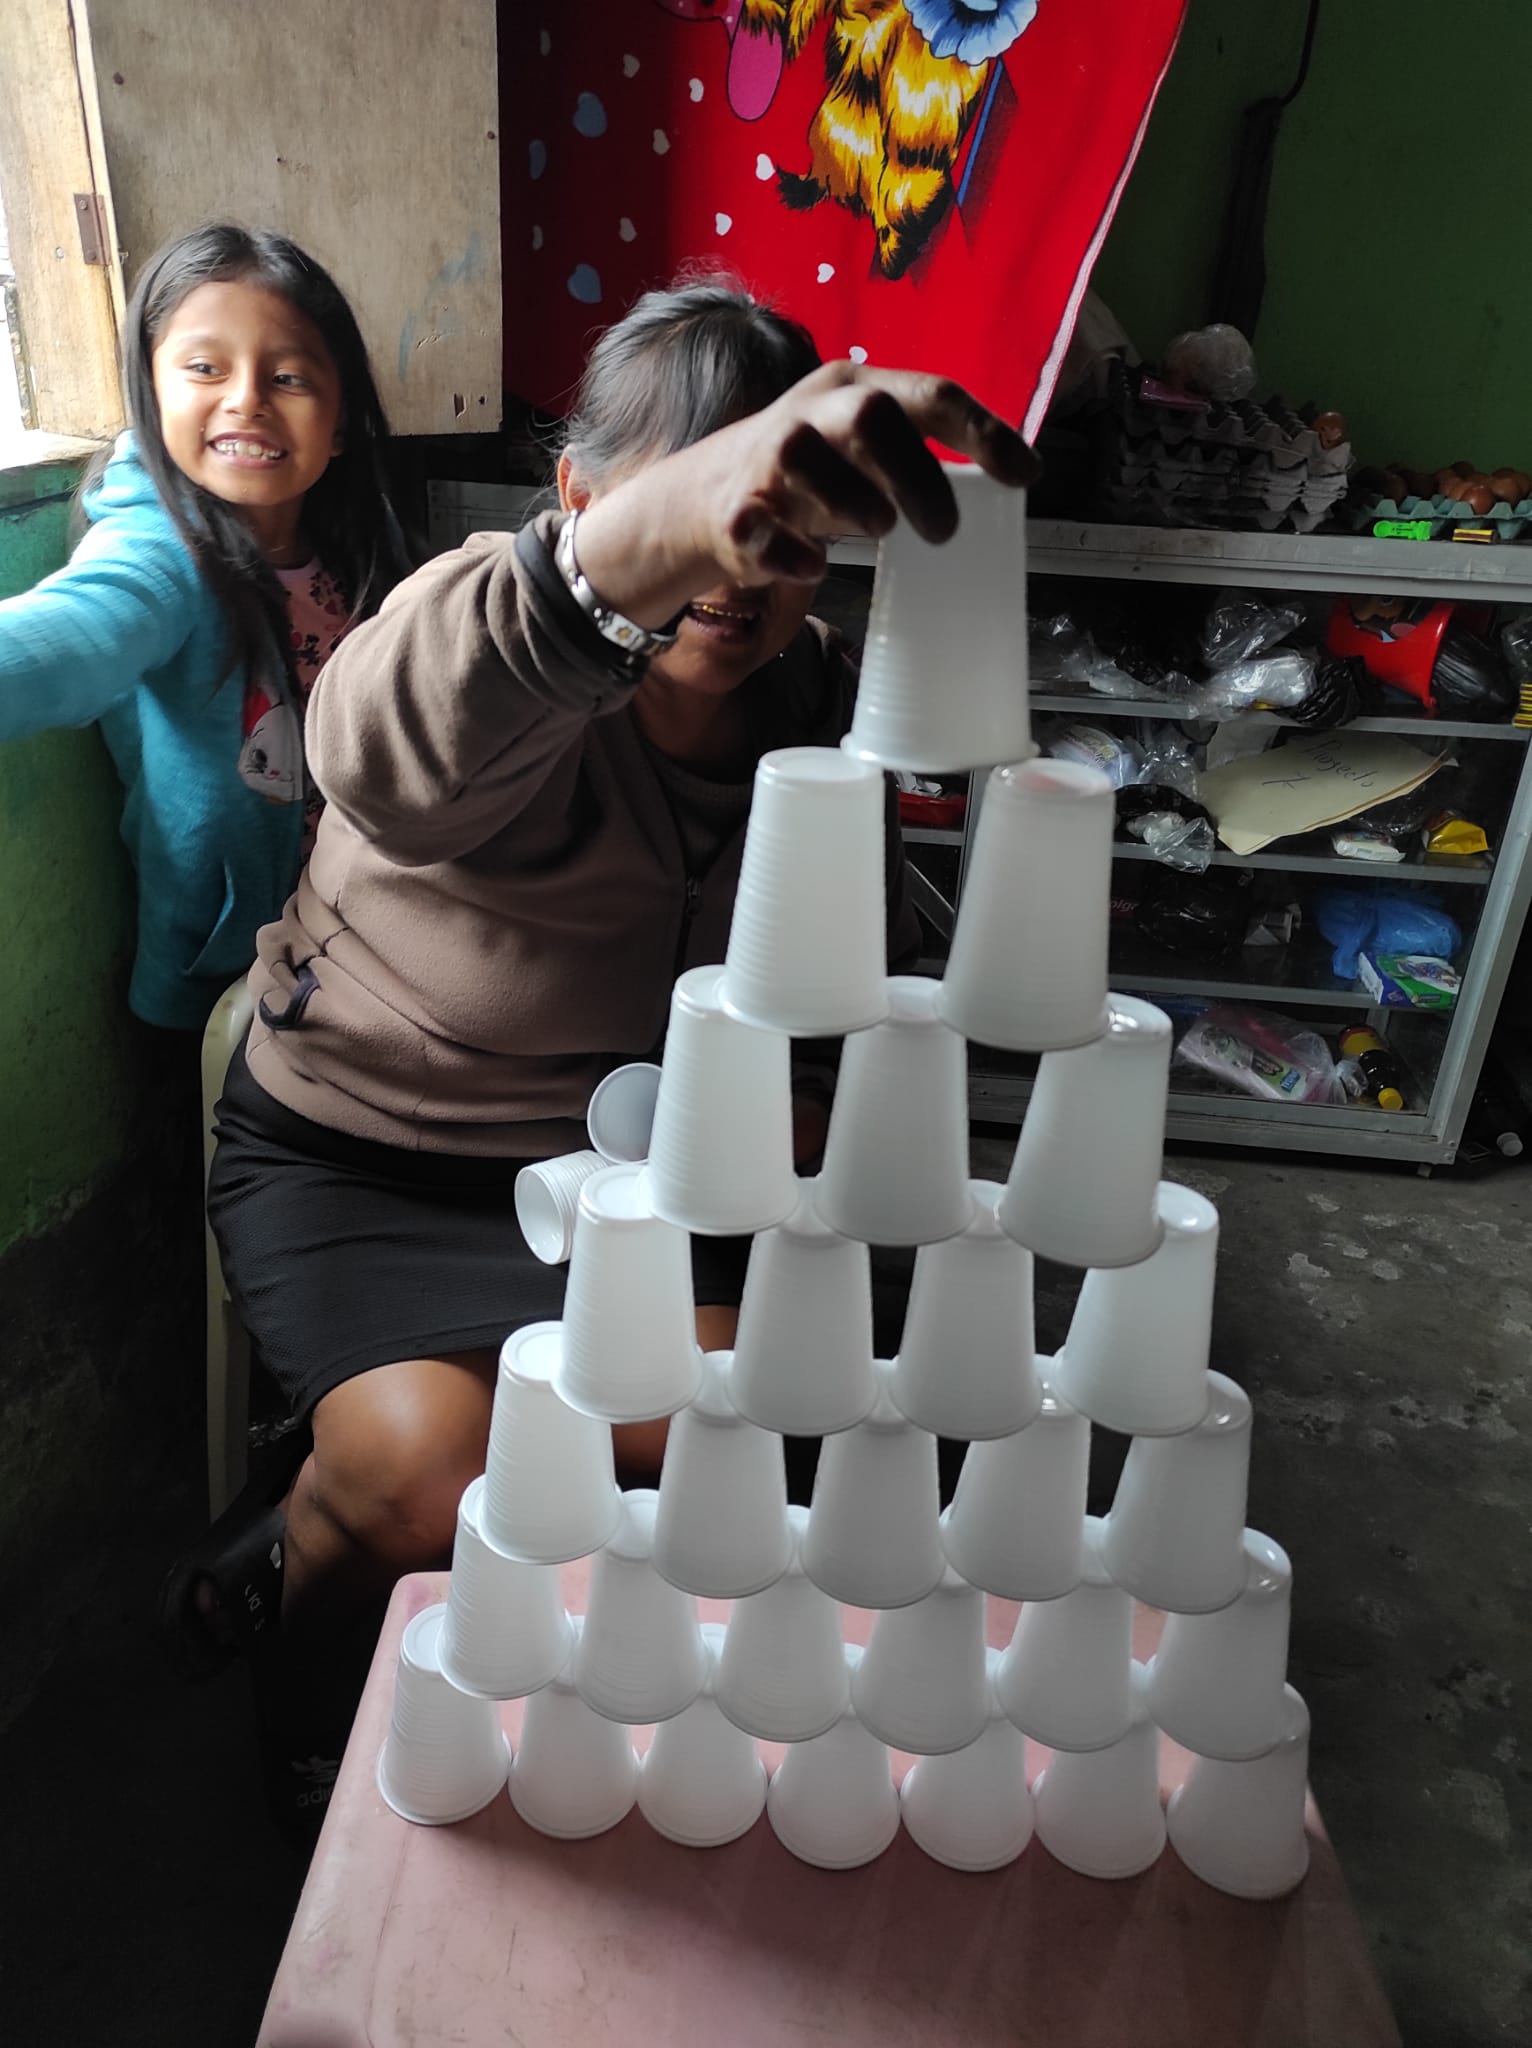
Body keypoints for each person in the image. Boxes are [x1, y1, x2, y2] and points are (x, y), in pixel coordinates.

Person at [192, 275, 1036, 1835]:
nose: (740, 566)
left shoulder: (819, 711)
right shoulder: (489, 638)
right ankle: (303, 1634)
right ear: (583, 497)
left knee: (770, 1419)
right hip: (374, 1165)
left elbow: (849, 976)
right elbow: (371, 749)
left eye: (779, 525)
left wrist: (821, 1119)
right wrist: (636, 558)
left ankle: (544, 1661)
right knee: (424, 1470)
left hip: (640, 1191)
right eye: (703, 509)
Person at [0, 223, 410, 1031]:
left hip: (366, 936)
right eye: (203, 368)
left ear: (339, 422)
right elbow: (77, 633)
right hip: (229, 970)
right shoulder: (161, 549)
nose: (246, 397)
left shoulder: (359, 544)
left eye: (288, 376)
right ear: (151, 394)